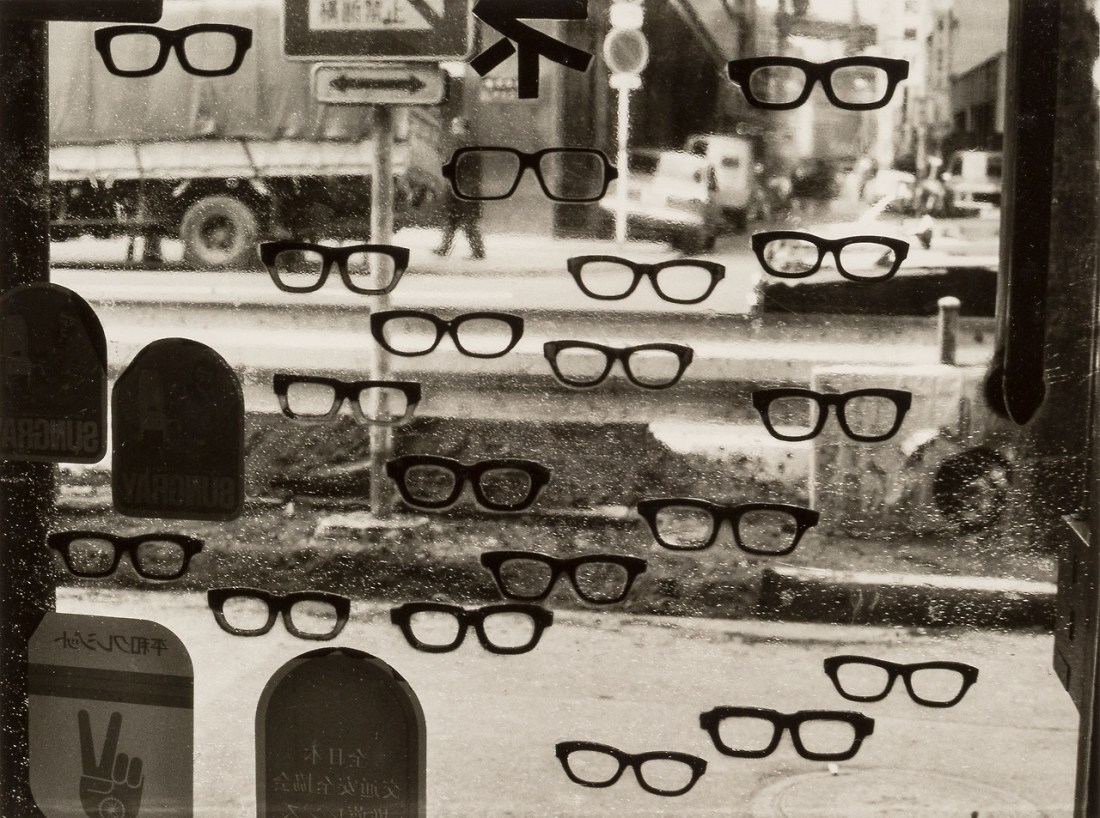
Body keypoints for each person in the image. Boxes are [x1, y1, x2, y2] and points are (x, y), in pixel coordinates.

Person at [434, 117, 486, 260]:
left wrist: (444, 159)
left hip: (464, 188)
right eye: (453, 125)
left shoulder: (462, 144)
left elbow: (453, 163)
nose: (453, 128)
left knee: (466, 220)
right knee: (453, 218)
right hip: (461, 187)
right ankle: (445, 247)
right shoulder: (468, 143)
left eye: (456, 125)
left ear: (463, 128)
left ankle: (477, 251)